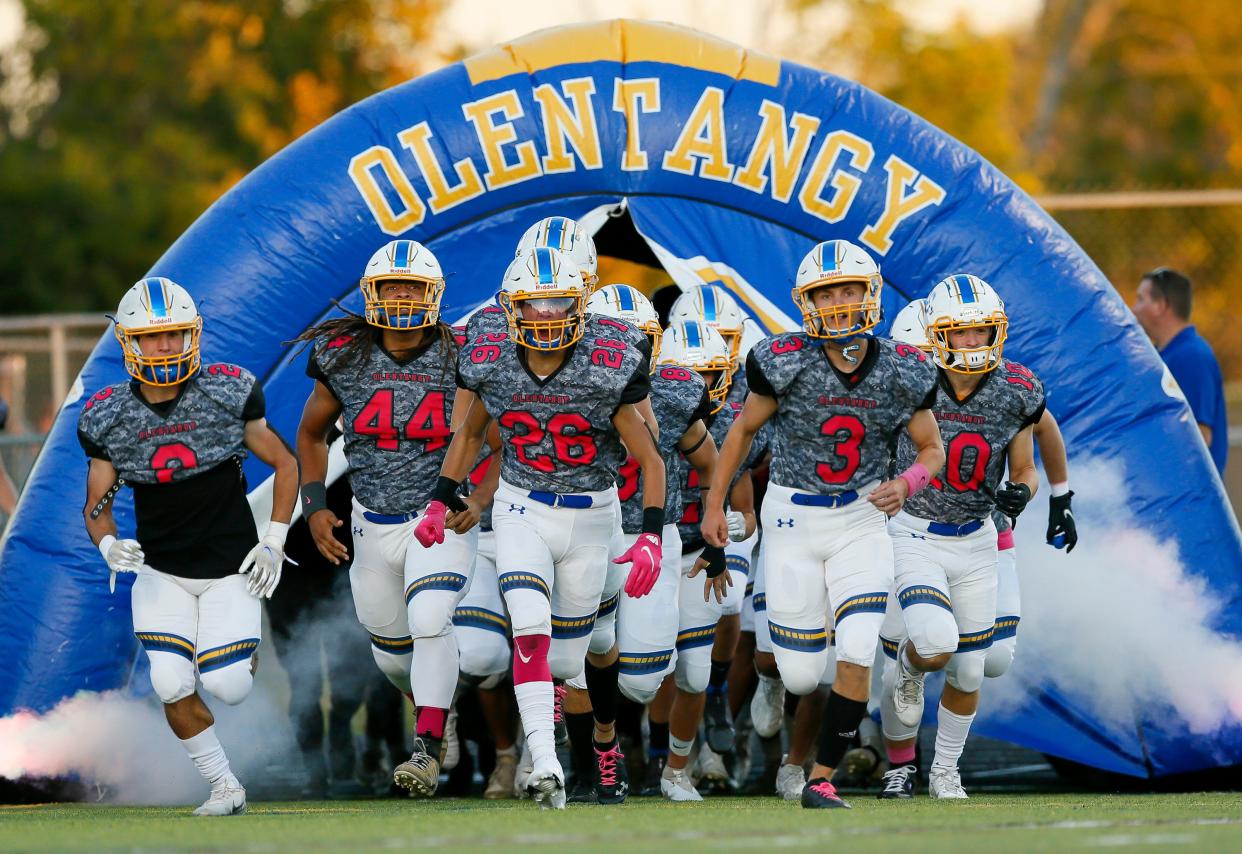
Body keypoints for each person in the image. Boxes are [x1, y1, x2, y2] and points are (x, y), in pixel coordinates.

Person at [416, 246, 666, 810]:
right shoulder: (492, 359)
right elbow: (470, 434)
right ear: (512, 308)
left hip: (591, 514)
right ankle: (548, 764)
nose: (547, 315)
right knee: (528, 628)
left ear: (580, 303)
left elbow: (650, 458)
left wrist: (650, 533)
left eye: (559, 302)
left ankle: (600, 746)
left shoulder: (609, 359)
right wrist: (439, 500)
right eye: (534, 304)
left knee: (566, 661)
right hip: (520, 505)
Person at [702, 239, 944, 810]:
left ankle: (822, 777)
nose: (838, 302)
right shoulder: (784, 357)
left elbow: (932, 447)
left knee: (858, 647)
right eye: (826, 292)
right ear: (808, 301)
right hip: (792, 519)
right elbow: (737, 435)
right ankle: (772, 686)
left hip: (862, 517)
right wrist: (717, 505)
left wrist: (908, 482)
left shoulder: (904, 368)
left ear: (871, 293)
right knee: (803, 676)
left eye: (848, 289)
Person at [78, 277, 298, 816]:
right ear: (129, 342)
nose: (166, 347)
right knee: (170, 679)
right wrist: (107, 544)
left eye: (175, 335)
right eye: (153, 338)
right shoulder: (108, 415)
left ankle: (237, 651)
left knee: (228, 687)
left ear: (193, 336)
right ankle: (225, 785)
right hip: (163, 571)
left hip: (229, 568)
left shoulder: (226, 393)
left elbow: (287, 463)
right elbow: (95, 505)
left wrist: (273, 539)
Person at [293, 239, 493, 798]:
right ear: (370, 294)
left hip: (439, 516)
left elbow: (495, 442)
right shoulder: (344, 354)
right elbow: (310, 434)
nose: (402, 297)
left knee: (432, 619)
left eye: (413, 287)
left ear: (434, 295)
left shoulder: (463, 354)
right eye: (391, 287)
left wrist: (477, 502)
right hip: (370, 519)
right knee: (393, 654)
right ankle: (435, 705)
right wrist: (313, 508)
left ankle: (426, 750)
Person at [874, 276, 1044, 801]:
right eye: (960, 333)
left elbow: (1025, 467)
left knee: (971, 668)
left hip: (976, 540)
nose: (972, 343)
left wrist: (1024, 491)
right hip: (915, 532)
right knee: (933, 644)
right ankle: (906, 678)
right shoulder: (909, 381)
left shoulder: (1017, 390)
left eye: (981, 332)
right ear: (936, 335)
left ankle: (946, 770)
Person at [1132, 267, 1227, 473]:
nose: (1134, 308)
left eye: (1140, 299)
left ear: (1161, 305)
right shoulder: (1163, 355)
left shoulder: (1192, 356)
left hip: (1190, 499)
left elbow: (1201, 436)